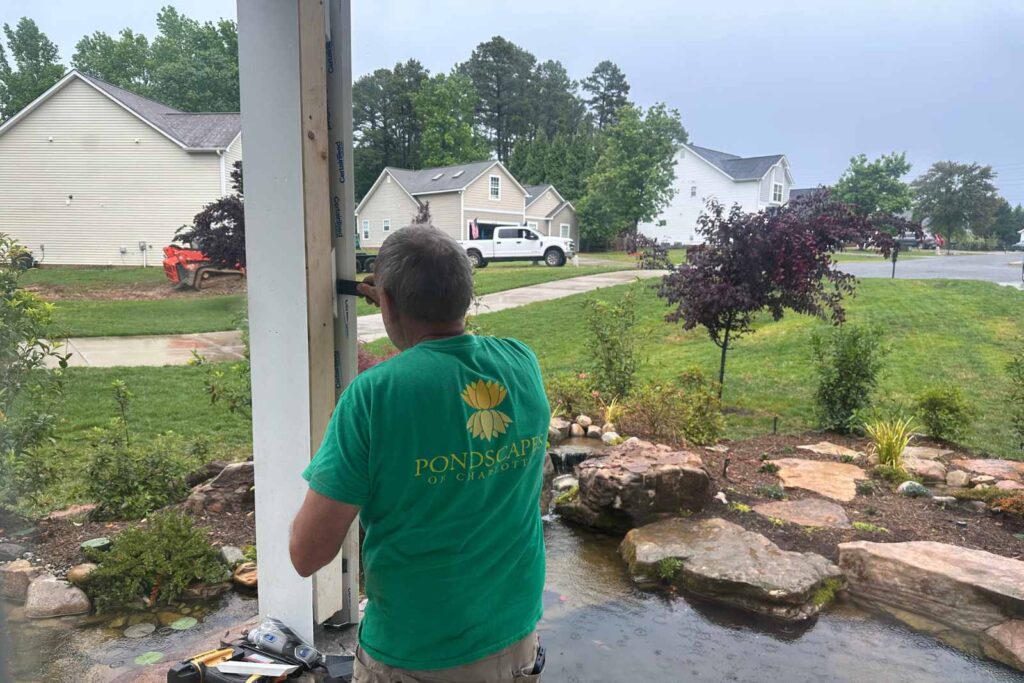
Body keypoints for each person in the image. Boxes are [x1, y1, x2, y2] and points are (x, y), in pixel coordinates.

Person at [289, 225, 549, 682]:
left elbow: (307, 554)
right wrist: (403, 302)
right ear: (466, 294)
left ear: (385, 302)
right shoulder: (521, 362)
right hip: (516, 642)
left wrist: (395, 303)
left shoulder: (375, 396)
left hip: (415, 658)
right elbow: (453, 357)